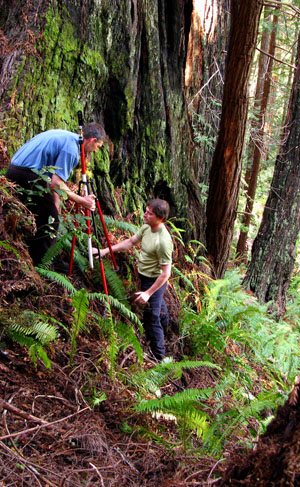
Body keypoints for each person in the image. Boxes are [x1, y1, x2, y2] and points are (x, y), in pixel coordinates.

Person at [6, 123, 107, 265]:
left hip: (15, 170)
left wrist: (56, 205)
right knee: (50, 221)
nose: (96, 151)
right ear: (92, 140)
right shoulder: (72, 150)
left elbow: (53, 181)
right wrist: (82, 201)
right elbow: (56, 183)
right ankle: (42, 264)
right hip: (27, 175)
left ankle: (33, 255)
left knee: (47, 215)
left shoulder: (67, 138)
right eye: (98, 146)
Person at [96, 198, 173, 361]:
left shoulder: (164, 241)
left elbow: (166, 274)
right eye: (146, 210)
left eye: (149, 213)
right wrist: (105, 251)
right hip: (144, 276)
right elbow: (130, 242)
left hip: (156, 281)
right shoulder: (147, 227)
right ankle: (167, 324)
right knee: (158, 309)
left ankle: (159, 358)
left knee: (151, 316)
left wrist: (148, 293)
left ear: (160, 218)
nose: (145, 214)